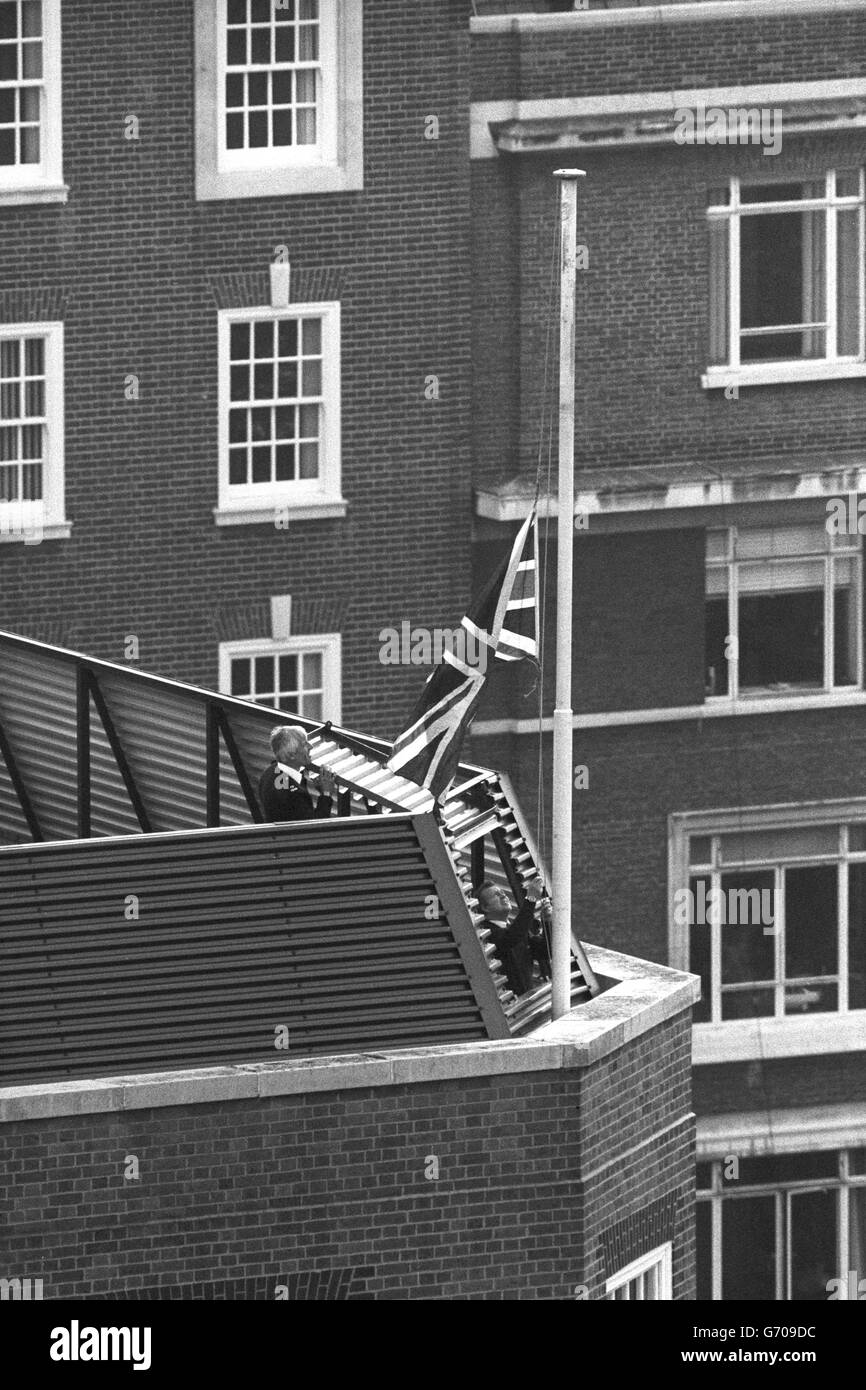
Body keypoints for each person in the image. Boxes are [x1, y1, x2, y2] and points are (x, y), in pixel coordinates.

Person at [476, 877, 551, 997]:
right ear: (485, 908)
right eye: (496, 895)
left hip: (526, 1003)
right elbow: (511, 938)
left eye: (502, 893)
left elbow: (544, 951)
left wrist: (547, 922)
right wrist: (530, 899)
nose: (503, 896)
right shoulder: (486, 934)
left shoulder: (515, 930)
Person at [258, 725, 337, 822]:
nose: (310, 746)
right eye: (304, 744)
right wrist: (326, 793)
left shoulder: (270, 772)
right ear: (291, 755)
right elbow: (314, 828)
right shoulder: (292, 793)